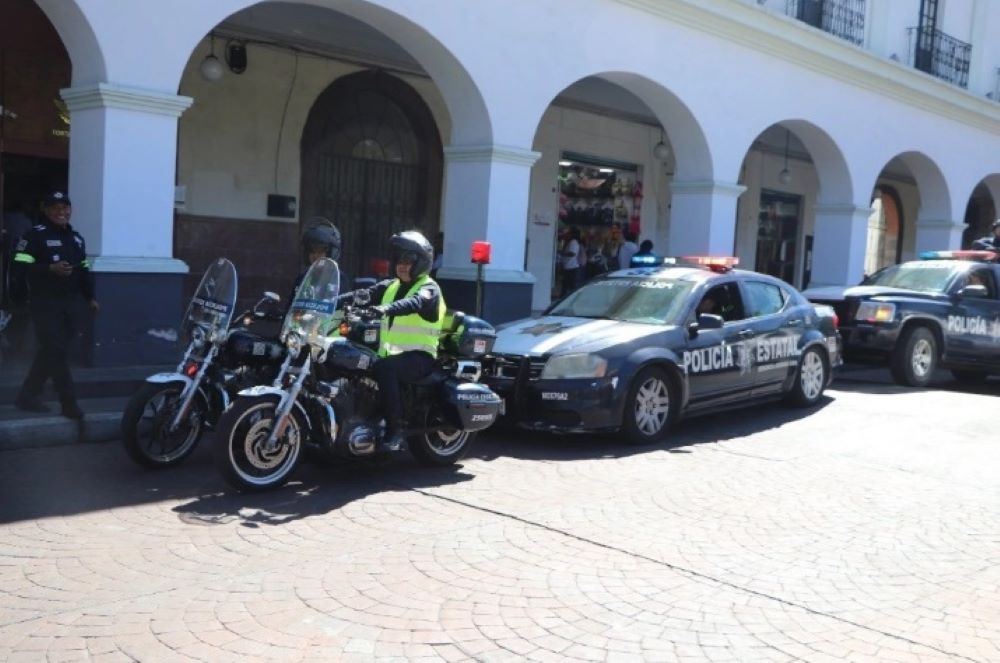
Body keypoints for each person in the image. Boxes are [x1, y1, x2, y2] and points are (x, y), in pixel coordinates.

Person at [12, 191, 99, 418]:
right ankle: (69, 404)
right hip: (44, 303)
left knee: (50, 351)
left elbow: (83, 269)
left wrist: (90, 297)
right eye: (56, 208)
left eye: (65, 207)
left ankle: (28, 395)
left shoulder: (76, 238)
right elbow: (19, 268)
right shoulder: (34, 235)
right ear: (47, 211)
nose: (61, 212)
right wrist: (49, 269)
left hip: (71, 304)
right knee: (57, 352)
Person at [365, 230, 445, 452]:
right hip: (393, 355)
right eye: (399, 260)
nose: (402, 265)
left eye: (408, 261)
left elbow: (415, 303)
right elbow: (363, 294)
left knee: (385, 367)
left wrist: (385, 309)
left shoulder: (429, 288)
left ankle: (396, 429)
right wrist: (330, 301)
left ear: (420, 262)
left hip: (420, 357)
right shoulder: (391, 286)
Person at [290, 217, 342, 303]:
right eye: (311, 251)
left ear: (330, 253)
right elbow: (290, 308)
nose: (315, 255)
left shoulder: (338, 278)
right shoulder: (302, 278)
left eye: (320, 251)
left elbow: (343, 308)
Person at [560, 227, 581, 297]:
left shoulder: (573, 242)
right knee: (566, 284)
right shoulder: (569, 242)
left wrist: (562, 253)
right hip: (568, 267)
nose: (567, 235)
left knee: (570, 285)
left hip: (572, 267)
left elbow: (572, 253)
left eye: (568, 233)